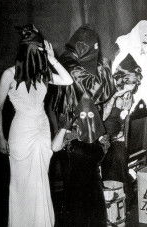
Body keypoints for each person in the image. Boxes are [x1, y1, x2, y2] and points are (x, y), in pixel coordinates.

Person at [0, 24, 73, 227]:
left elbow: (67, 80)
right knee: (22, 185)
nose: (41, 55)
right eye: (38, 50)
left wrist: (52, 58)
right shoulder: (9, 75)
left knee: (40, 182)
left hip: (41, 128)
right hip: (21, 132)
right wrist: (0, 137)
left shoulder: (42, 75)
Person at [53, 24, 115, 226]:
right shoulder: (71, 67)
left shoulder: (75, 63)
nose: (97, 52)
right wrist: (105, 66)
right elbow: (98, 91)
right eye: (93, 47)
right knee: (82, 197)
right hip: (76, 141)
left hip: (84, 138)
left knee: (88, 194)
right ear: (83, 47)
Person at [101, 54, 142, 207]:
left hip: (117, 140)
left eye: (133, 87)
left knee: (117, 155)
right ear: (121, 81)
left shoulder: (129, 95)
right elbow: (102, 118)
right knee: (114, 155)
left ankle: (121, 199)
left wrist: (121, 136)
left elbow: (124, 121)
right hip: (104, 137)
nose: (130, 91)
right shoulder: (108, 93)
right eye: (128, 86)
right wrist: (113, 99)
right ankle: (115, 197)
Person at [111, 20, 147, 112]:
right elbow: (116, 66)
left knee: (140, 113)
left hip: (145, 86)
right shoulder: (123, 41)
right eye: (145, 35)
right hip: (129, 85)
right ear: (138, 32)